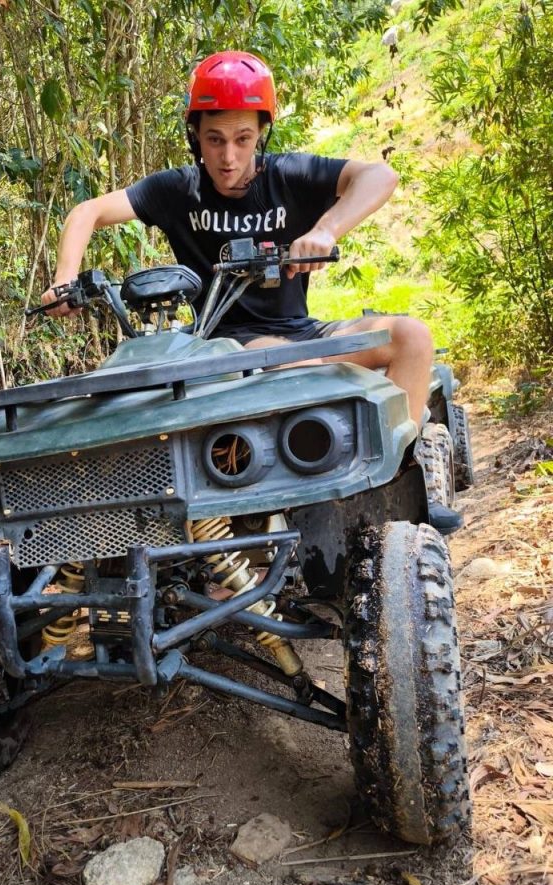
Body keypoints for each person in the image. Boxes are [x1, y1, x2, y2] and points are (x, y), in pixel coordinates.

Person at [40, 51, 462, 535]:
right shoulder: (179, 190)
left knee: (411, 336)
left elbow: (379, 176)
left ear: (261, 135)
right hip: (227, 346)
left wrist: (326, 229)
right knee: (268, 359)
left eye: (243, 139)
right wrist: (64, 278)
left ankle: (402, 482)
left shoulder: (289, 175)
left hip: (301, 333)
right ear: (194, 136)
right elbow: (88, 211)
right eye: (215, 140)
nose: (228, 157)